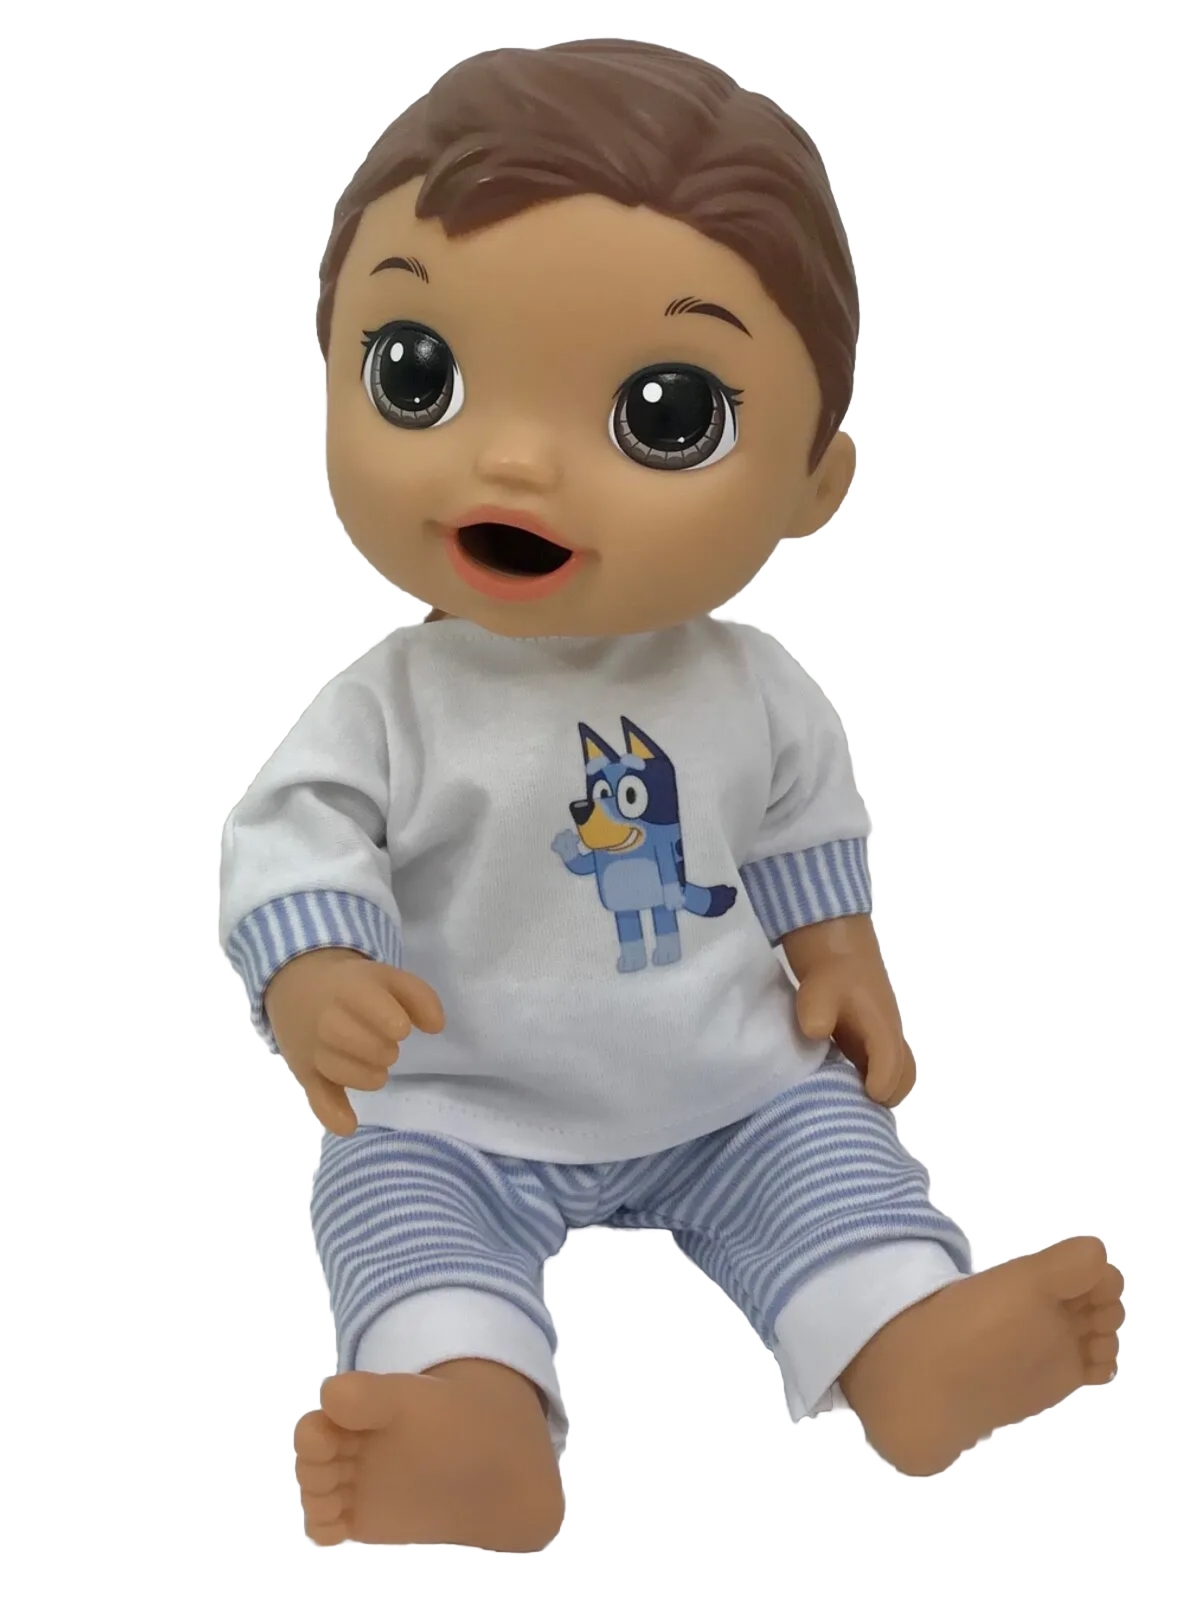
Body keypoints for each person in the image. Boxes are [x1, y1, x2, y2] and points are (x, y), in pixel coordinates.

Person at [219, 38, 1123, 1550]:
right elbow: (292, 836)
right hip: (459, 1101)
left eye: (663, 409)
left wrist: (843, 959)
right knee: (393, 1210)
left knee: (832, 1161)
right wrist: (315, 968)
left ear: (814, 483)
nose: (516, 461)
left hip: (729, 1084)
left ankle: (906, 1337)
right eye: (417, 373)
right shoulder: (392, 703)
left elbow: (803, 829)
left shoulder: (753, 686)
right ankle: (469, 1415)